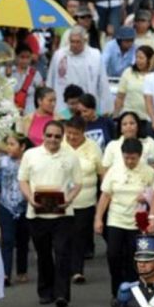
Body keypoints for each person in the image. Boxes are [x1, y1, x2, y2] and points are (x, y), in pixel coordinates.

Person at [18, 120, 83, 307]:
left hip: (63, 214)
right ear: (43, 136)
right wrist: (30, 198)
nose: (53, 140)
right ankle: (45, 291)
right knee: (44, 254)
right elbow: (23, 180)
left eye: (57, 136)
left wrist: (69, 199)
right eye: (49, 135)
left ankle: (62, 294)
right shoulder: (31, 155)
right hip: (37, 214)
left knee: (63, 253)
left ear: (62, 138)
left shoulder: (70, 156)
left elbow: (78, 183)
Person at [95, 138, 154, 298]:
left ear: (140, 156)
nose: (129, 161)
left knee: (134, 258)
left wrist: (149, 204)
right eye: (126, 158)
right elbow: (105, 196)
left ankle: (134, 291)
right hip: (116, 219)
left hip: (138, 221)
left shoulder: (148, 172)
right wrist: (98, 218)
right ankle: (117, 290)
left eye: (133, 158)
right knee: (113, 255)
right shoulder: (114, 171)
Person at [64, 116, 103, 283]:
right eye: (69, 133)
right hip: (63, 201)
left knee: (79, 236)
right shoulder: (60, 145)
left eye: (76, 134)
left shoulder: (93, 147)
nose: (72, 137)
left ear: (83, 133)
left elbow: (102, 173)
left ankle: (77, 271)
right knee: (65, 237)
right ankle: (63, 267)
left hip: (85, 201)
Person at [0, 134, 31, 286]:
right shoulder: (1, 162)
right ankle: (5, 274)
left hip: (24, 205)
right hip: (6, 204)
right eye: (7, 144)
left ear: (22, 147)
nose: (9, 147)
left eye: (13, 144)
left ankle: (22, 271)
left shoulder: (29, 161)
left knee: (23, 240)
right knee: (7, 240)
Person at [113, 42, 152, 120]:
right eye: (137, 57)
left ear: (150, 59)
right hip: (129, 116)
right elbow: (120, 97)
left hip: (148, 118)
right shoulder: (128, 72)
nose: (138, 60)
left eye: (141, 58)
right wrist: (115, 115)